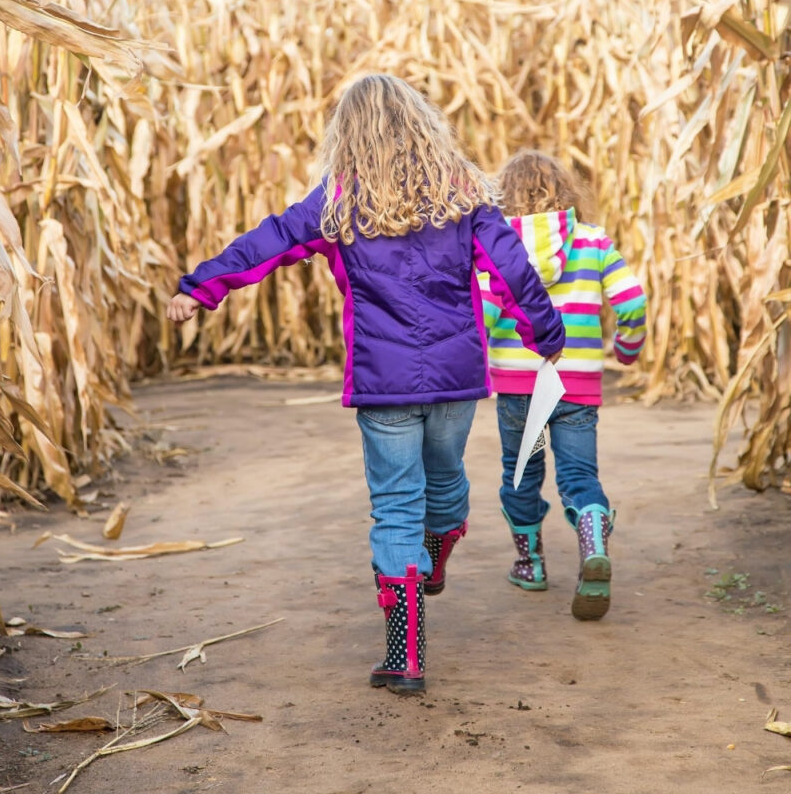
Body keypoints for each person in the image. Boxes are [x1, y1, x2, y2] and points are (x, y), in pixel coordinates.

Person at [167, 75, 565, 694]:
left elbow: (264, 244)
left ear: (347, 135)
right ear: (426, 127)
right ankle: (442, 539)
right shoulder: (464, 198)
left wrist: (202, 287)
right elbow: (512, 269)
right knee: (446, 480)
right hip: (458, 378)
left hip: (384, 384)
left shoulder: (337, 203)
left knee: (395, 506)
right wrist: (546, 334)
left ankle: (406, 654)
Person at [481, 150, 646, 620]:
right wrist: (626, 348)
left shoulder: (497, 248)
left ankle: (529, 565)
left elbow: (486, 313)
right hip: (576, 386)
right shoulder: (593, 242)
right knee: (579, 477)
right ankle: (594, 543)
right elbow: (632, 300)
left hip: (519, 387)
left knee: (522, 473)